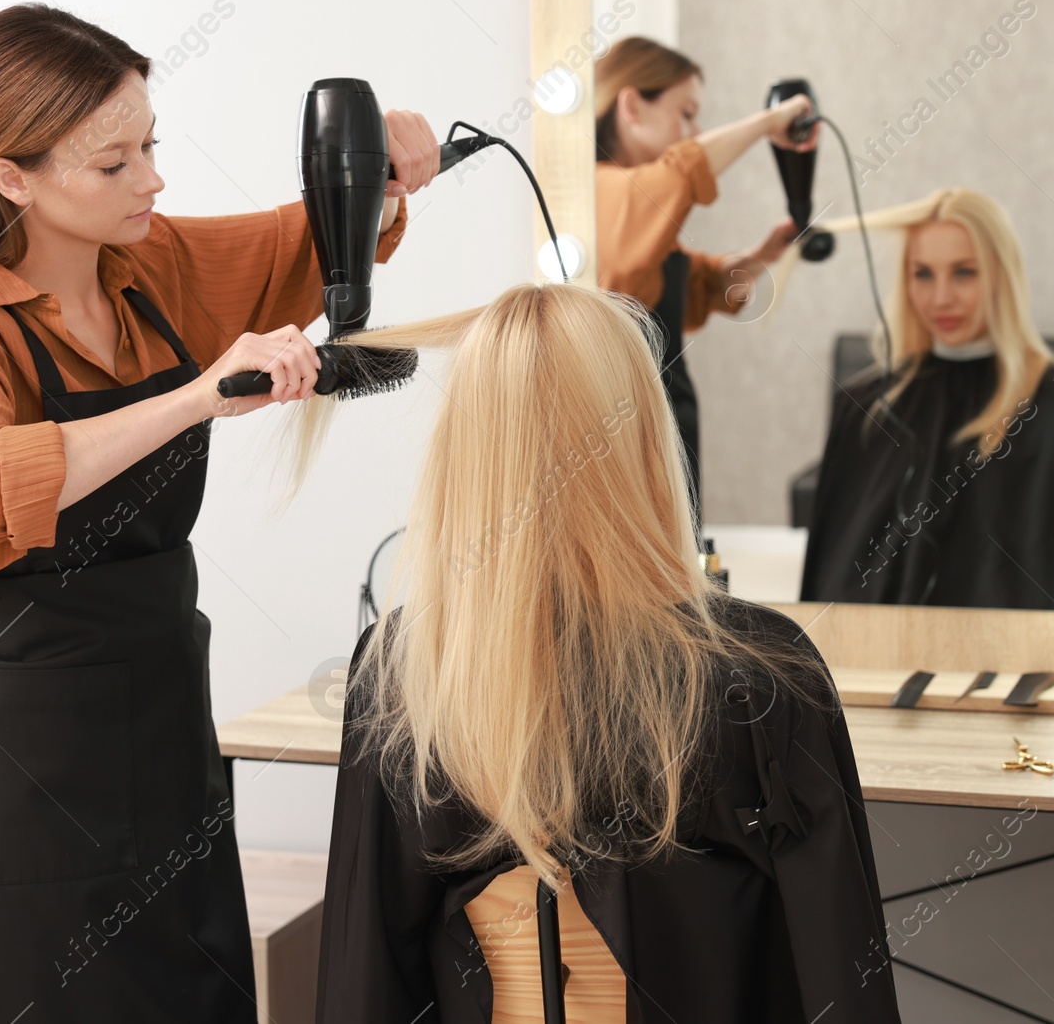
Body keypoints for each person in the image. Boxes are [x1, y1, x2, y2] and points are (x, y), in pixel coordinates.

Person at [0, 3, 439, 1022]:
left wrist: (384, 155)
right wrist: (192, 396)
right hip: (18, 780)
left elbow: (298, 243)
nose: (153, 180)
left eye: (150, 146)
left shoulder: (151, 267)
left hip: (167, 750)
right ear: (11, 175)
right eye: (113, 162)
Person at [285, 283, 902, 1022]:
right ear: (641, 432)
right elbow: (840, 963)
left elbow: (367, 965)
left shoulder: (406, 667)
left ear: (467, 448)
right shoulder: (761, 670)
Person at [594, 35, 819, 527]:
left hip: (669, 422)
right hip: (622, 435)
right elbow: (680, 174)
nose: (693, 131)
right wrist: (765, 125)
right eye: (687, 113)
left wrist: (764, 254)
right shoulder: (599, 193)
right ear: (632, 105)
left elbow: (698, 289)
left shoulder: (639, 212)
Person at [798, 187, 1054, 608]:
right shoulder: (865, 407)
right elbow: (830, 574)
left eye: (964, 272)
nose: (940, 298)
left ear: (1001, 275)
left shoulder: (1053, 403)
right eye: (923, 274)